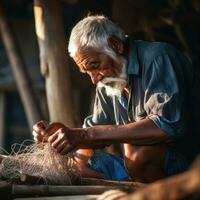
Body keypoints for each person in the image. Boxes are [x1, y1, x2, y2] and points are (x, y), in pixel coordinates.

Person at [33, 15, 200, 183]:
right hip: (139, 166)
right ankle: (131, 184)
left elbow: (167, 126)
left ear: (116, 45)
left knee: (137, 152)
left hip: (189, 166)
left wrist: (85, 135)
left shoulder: (158, 58)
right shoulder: (107, 81)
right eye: (87, 72)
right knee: (80, 162)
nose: (94, 79)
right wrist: (59, 135)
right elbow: (94, 133)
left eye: (94, 66)